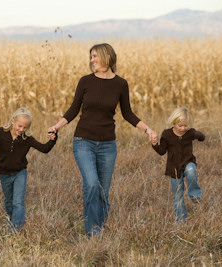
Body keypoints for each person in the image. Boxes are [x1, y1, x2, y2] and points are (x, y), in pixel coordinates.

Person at [48, 43, 157, 237]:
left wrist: (148, 129)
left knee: (102, 191)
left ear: (107, 57)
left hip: (108, 145)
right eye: (91, 57)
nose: (92, 60)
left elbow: (128, 113)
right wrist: (57, 126)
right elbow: (74, 109)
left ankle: (99, 225)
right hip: (83, 142)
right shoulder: (85, 81)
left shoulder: (121, 84)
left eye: (95, 56)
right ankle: (93, 233)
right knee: (91, 184)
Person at [0, 107, 57, 232]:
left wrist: (52, 140)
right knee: (9, 201)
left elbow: (44, 148)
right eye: (19, 126)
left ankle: (15, 230)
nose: (21, 130)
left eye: (25, 127)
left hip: (20, 173)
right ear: (13, 121)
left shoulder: (27, 139)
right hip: (4, 173)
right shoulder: (1, 132)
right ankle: (13, 220)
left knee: (18, 202)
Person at [151, 107, 204, 222]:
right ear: (174, 122)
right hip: (173, 169)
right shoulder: (166, 134)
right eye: (180, 125)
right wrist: (155, 144)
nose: (183, 128)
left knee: (191, 171)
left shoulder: (190, 133)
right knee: (178, 196)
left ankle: (194, 195)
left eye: (185, 126)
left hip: (188, 163)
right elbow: (162, 151)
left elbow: (201, 136)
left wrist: (199, 135)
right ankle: (181, 221)